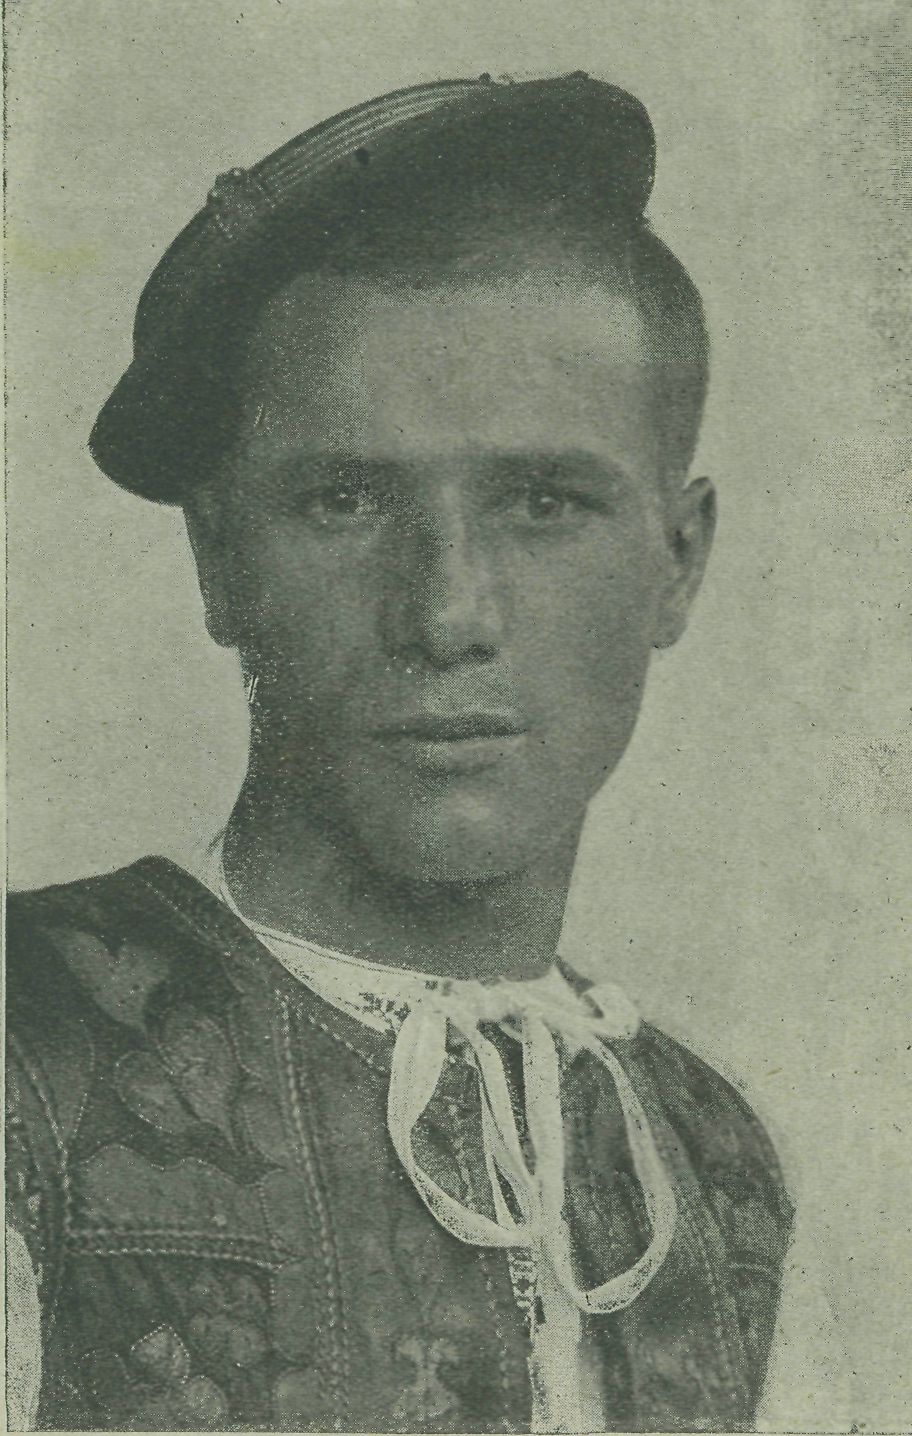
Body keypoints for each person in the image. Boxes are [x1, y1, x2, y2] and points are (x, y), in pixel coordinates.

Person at [5, 74, 794, 1432]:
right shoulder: (27, 1046)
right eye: (344, 500)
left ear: (678, 562)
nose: (445, 615)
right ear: (218, 561)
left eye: (542, 501)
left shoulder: (716, 1162)